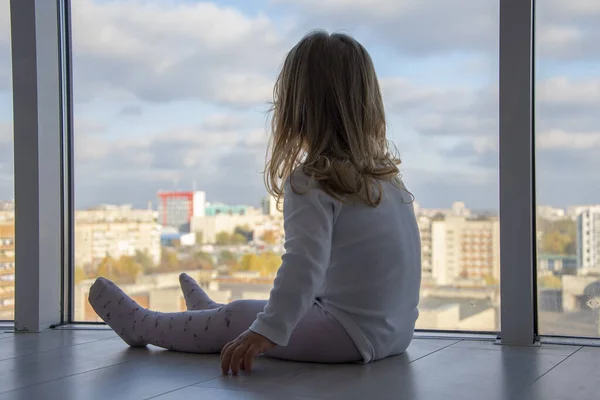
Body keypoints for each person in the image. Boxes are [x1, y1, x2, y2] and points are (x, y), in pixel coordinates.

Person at [89, 30, 421, 376]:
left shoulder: (313, 182)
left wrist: (268, 332)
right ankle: (211, 316)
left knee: (243, 317)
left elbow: (303, 266)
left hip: (350, 335)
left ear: (296, 108)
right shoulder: (388, 183)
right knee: (247, 312)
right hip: (395, 335)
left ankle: (145, 326)